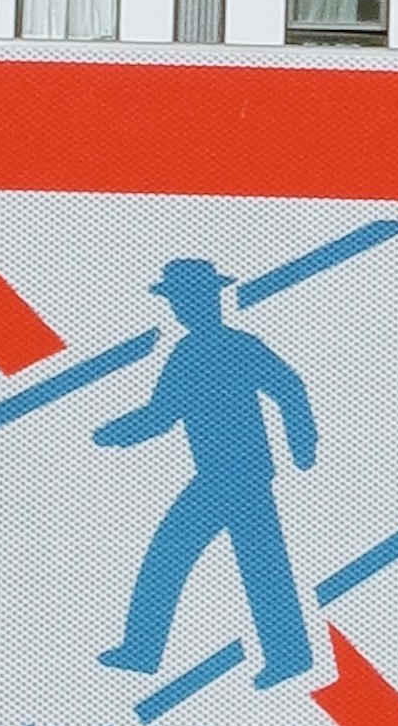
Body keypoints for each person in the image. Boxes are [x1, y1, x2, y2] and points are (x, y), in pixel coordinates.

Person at [94, 258, 319, 689]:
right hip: (236, 475)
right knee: (261, 565)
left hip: (231, 477)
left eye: (186, 299)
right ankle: (289, 656)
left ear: (207, 300)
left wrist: (303, 445)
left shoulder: (226, 347)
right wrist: (118, 432)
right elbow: (163, 415)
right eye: (178, 301)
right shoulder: (198, 351)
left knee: (171, 556)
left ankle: (142, 652)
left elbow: (289, 387)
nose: (181, 308)